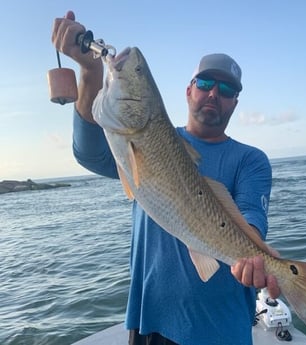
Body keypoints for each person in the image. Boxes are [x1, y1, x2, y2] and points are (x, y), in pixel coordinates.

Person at [52, 11, 280, 345]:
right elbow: (88, 152)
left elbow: (250, 216)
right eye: (205, 83)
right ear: (189, 91)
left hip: (222, 330)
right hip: (150, 324)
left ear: (235, 102)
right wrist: (89, 71)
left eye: (227, 89)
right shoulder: (143, 141)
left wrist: (256, 257)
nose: (214, 93)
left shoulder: (251, 160)